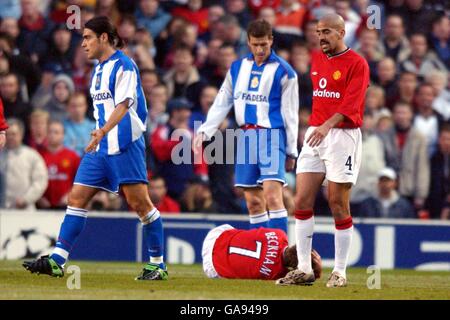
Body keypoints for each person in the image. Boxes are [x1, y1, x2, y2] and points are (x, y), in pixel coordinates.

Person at [23, 16, 167, 281]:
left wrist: (103, 130)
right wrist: (99, 134)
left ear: (103, 37)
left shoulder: (125, 65)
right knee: (76, 198)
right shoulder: (98, 70)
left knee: (140, 204)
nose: (83, 43)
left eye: (88, 37)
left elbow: (123, 105)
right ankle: (57, 260)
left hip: (124, 143)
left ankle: (157, 265)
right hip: (100, 147)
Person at [276, 14, 370, 288]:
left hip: (342, 136)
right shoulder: (317, 59)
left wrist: (326, 126)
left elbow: (352, 105)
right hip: (316, 134)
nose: (321, 36)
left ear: (341, 32)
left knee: (337, 203)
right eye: (318, 32)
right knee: (301, 201)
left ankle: (340, 272)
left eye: (327, 31)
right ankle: (304, 269)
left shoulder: (358, 63)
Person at [194, 19, 299, 234]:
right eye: (255, 44)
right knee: (253, 202)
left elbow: (290, 114)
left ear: (271, 40)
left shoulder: (285, 72)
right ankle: (263, 255)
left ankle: (280, 254)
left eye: (264, 44)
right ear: (248, 43)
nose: (260, 49)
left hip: (272, 136)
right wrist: (205, 130)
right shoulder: (237, 67)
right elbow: (223, 100)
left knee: (272, 196)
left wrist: (291, 150)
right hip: (246, 137)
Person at [202, 224, 322, 281]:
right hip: (213, 267)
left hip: (216, 236)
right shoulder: (278, 275)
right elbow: (303, 278)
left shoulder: (279, 234)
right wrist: (314, 273)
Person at [37, 121, 81, 210]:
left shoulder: (73, 156)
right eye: (50, 132)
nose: (52, 135)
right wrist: (38, 197)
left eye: (56, 132)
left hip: (66, 205)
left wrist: (70, 195)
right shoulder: (38, 155)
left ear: (63, 135)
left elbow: (80, 181)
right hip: (42, 206)